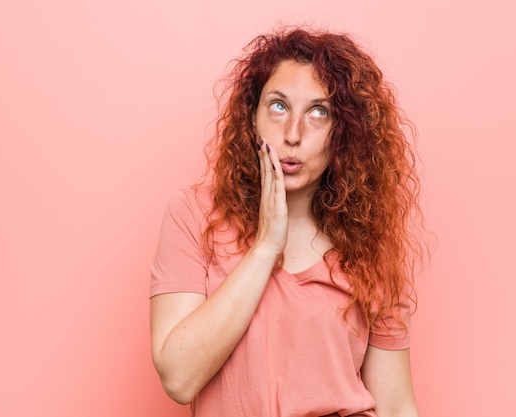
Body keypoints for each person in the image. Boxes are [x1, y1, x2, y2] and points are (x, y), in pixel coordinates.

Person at [149, 26, 425, 417]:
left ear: (345, 132)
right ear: (252, 116)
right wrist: (265, 248)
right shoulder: (194, 215)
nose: (293, 134)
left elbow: (396, 405)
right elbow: (179, 378)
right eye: (278, 106)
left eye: (319, 112)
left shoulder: (368, 249)